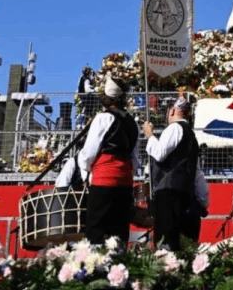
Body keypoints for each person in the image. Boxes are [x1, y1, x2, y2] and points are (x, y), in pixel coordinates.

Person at [78, 76, 139, 244]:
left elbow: (89, 153)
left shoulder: (102, 118)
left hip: (104, 180)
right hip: (125, 182)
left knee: (96, 232)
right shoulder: (133, 123)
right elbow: (134, 158)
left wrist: (85, 172)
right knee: (119, 234)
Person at [143, 96, 207, 250]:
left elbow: (159, 153)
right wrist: (203, 200)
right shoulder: (192, 137)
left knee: (167, 242)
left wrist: (150, 135)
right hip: (186, 194)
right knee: (182, 244)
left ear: (172, 110)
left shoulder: (174, 128)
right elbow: (197, 173)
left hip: (168, 194)